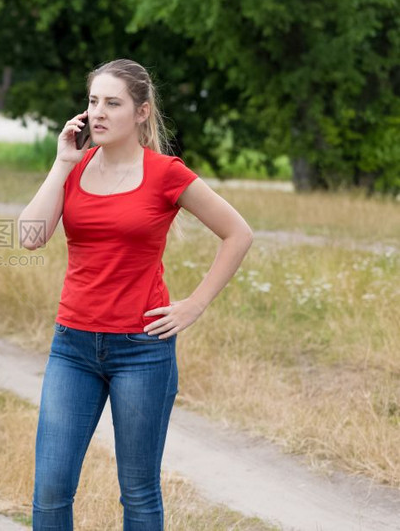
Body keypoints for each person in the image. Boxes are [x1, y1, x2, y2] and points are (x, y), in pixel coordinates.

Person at [18, 59, 253, 530]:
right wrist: (62, 163)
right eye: (92, 101)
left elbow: (238, 233)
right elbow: (29, 236)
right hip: (74, 347)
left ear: (141, 112)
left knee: (139, 493)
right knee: (49, 491)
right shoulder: (75, 166)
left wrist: (194, 304)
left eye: (112, 103)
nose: (98, 113)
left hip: (142, 350)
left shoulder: (166, 173)